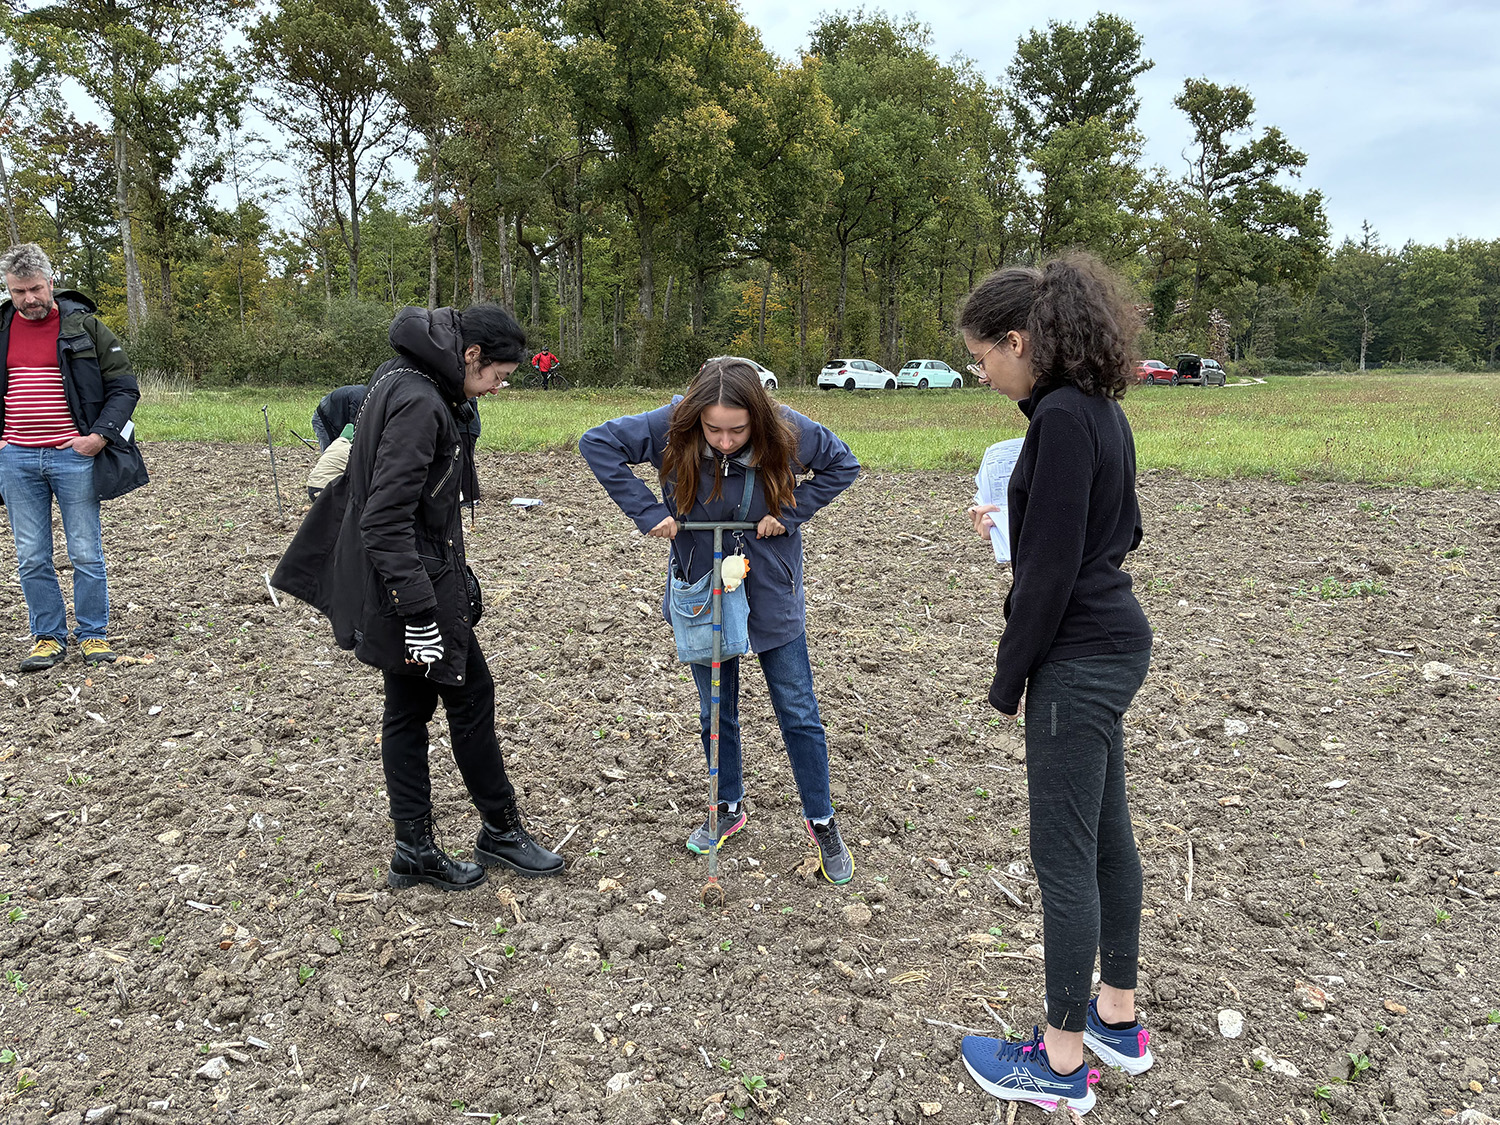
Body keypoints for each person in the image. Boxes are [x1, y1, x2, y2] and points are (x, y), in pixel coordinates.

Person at [954, 254, 1156, 1116]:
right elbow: (1124, 531)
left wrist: (1009, 679)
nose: (979, 371)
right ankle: (1119, 1016)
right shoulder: (1099, 411)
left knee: (1062, 857)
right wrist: (1023, 519)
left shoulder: (1062, 420)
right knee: (1106, 833)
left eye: (980, 356)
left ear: (1016, 340)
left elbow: (1048, 574)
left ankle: (1063, 1062)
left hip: (1076, 657)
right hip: (1113, 641)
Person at [273, 303, 563, 890]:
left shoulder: (401, 374)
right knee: (469, 699)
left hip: (404, 580)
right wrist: (421, 611)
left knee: (408, 710)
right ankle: (495, 832)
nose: (497, 389)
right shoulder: (421, 402)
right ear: (471, 355)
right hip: (408, 587)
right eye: (497, 377)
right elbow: (384, 518)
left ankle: (418, 846)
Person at [579, 358, 861, 884]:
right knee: (716, 707)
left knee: (797, 707)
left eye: (738, 430)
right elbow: (597, 443)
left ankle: (821, 819)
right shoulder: (669, 424)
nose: (726, 442)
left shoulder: (789, 429)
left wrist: (790, 511)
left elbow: (844, 465)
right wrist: (647, 511)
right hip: (699, 580)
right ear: (695, 420)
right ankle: (727, 805)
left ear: (757, 417)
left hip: (769, 581)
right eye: (714, 430)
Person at [0, 243, 140, 672]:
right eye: (18, 291)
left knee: (84, 550)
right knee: (32, 555)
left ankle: (93, 635)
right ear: (8, 289)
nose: (29, 299)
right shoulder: (0, 328)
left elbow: (124, 388)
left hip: (74, 457)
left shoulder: (86, 327)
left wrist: (98, 437)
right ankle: (48, 638)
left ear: (51, 283)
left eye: (36, 289)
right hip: (16, 459)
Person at [311, 385, 366, 450]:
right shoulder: (359, 399)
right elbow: (353, 427)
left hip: (337, 418)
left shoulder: (367, 395)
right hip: (323, 418)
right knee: (330, 452)